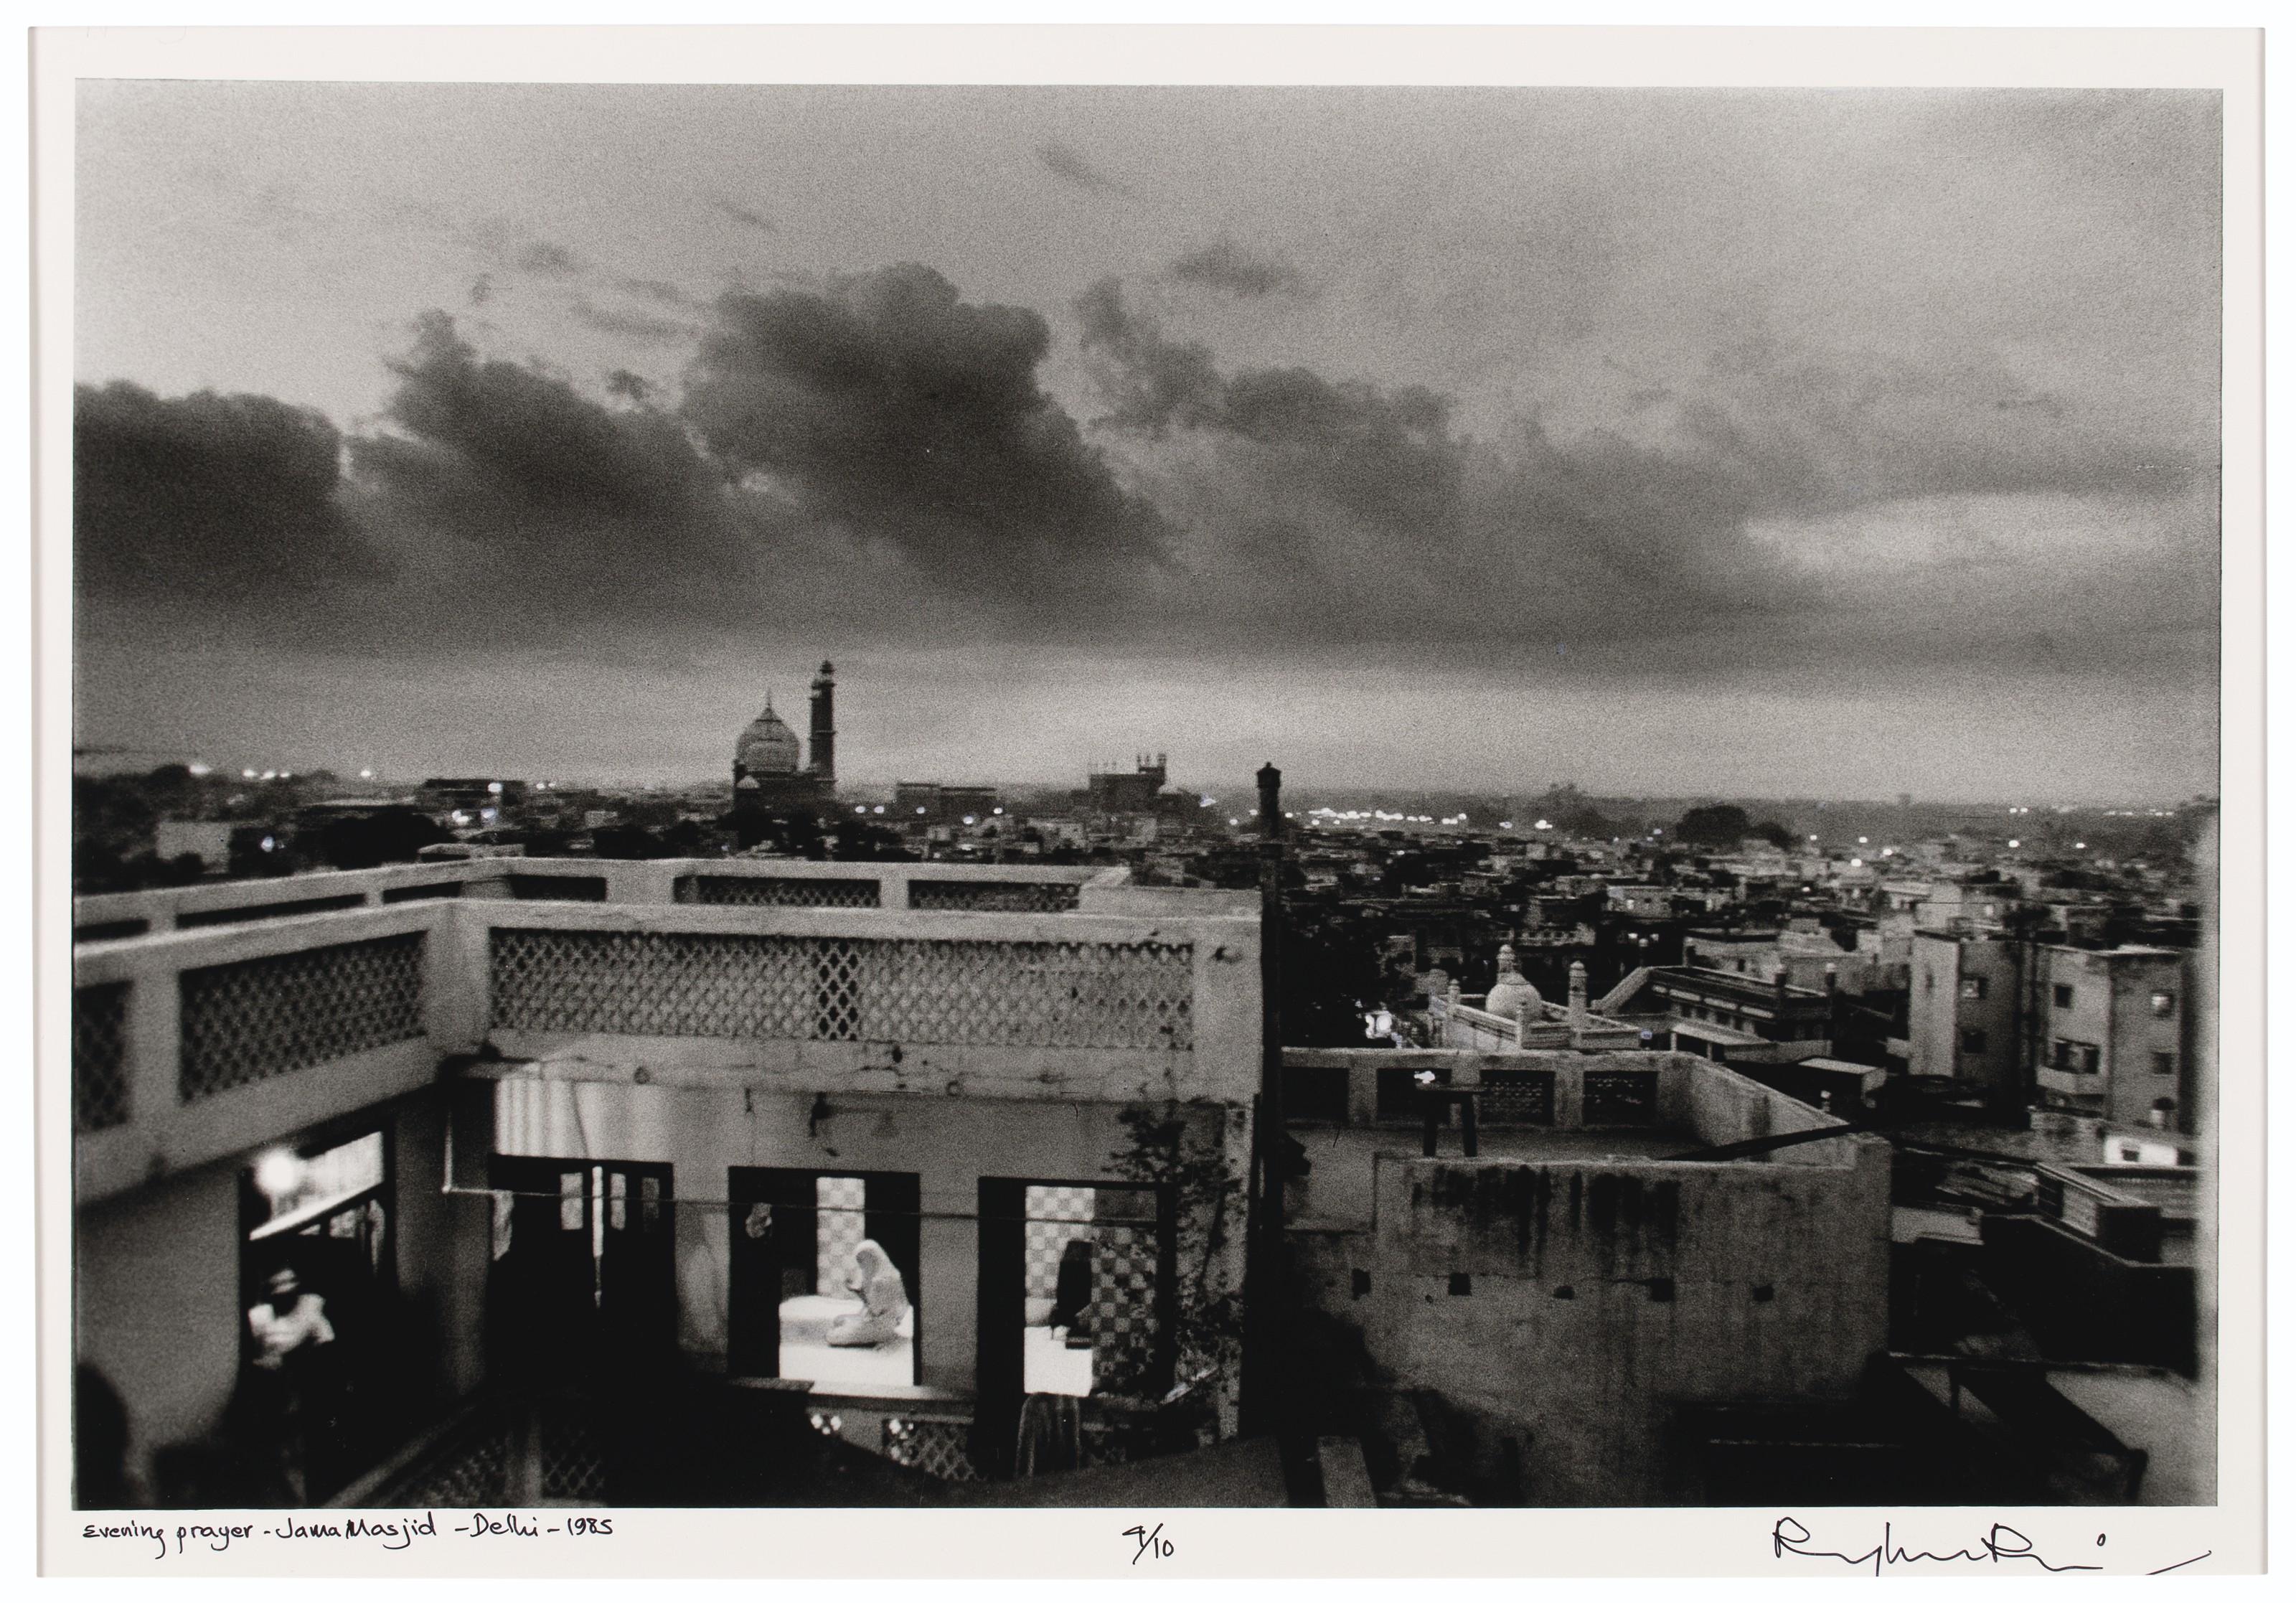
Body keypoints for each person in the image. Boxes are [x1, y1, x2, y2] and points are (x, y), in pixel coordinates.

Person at [826, 1241, 909, 1348]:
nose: (861, 1265)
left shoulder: (879, 1281)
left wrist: (859, 1292)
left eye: (862, 1260)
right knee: (839, 1321)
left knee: (832, 1336)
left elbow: (875, 1311)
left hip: (879, 1327)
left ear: (871, 1258)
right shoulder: (893, 1274)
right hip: (889, 1323)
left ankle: (878, 1338)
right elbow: (903, 1307)